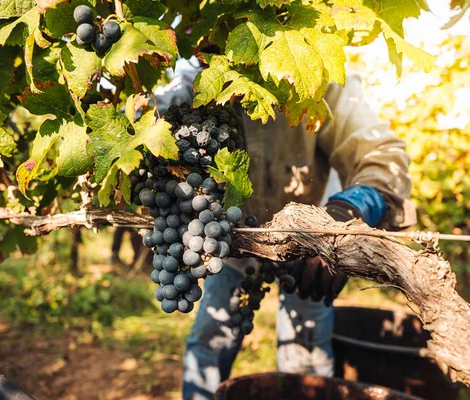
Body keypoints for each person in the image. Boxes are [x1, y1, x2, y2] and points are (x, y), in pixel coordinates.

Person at [154, 58, 416, 400]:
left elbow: (384, 156)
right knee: (211, 338)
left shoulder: (319, 78)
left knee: (306, 354)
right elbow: (151, 128)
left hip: (316, 237)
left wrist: (343, 219)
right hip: (231, 237)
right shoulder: (198, 82)